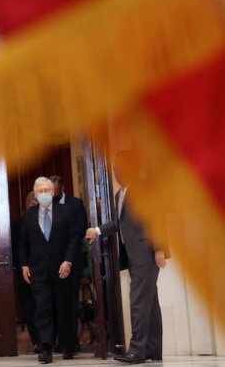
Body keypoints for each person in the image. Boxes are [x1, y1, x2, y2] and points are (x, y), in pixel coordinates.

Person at [85, 152, 167, 364]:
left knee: (138, 303)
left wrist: (159, 249)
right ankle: (153, 351)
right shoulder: (119, 194)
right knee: (150, 303)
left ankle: (136, 352)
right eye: (115, 169)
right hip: (132, 256)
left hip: (146, 253)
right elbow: (118, 224)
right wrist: (97, 230)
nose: (117, 172)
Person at [20, 177, 80, 363]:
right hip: (38, 270)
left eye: (48, 190)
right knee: (42, 308)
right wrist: (24, 265)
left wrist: (68, 261)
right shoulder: (29, 215)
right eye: (41, 191)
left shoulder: (66, 212)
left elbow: (74, 238)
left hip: (62, 268)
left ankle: (67, 345)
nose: (45, 194)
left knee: (63, 307)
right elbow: (23, 243)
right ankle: (45, 347)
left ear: (53, 192)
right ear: (36, 194)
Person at [49, 175, 88, 351]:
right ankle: (58, 339)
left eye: (55, 192)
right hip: (52, 262)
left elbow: (80, 231)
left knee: (70, 302)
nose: (53, 195)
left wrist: (68, 258)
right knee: (54, 302)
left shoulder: (75, 204)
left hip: (71, 261)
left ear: (62, 188)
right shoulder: (46, 204)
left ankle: (71, 342)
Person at [11, 191, 40, 353]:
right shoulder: (16, 224)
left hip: (43, 270)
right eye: (32, 205)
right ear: (27, 205)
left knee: (43, 306)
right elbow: (14, 249)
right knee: (29, 307)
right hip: (23, 272)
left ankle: (47, 340)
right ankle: (37, 341)